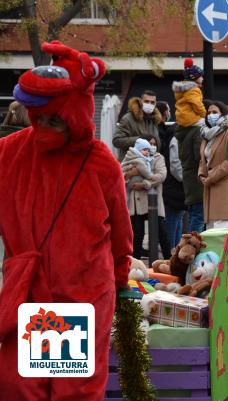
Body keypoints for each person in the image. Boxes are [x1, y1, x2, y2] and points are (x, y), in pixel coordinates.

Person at [0, 41, 132, 401]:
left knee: (57, 389)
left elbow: (120, 232)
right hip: (43, 293)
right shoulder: (10, 153)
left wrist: (119, 275)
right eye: (38, 116)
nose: (43, 125)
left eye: (52, 118)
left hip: (74, 295)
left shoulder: (98, 161)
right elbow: (121, 235)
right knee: (35, 388)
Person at [125, 137, 171, 259]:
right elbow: (122, 174)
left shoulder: (158, 158)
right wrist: (130, 174)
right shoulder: (133, 156)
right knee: (137, 235)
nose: (151, 146)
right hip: (136, 202)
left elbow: (161, 176)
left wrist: (145, 184)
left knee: (162, 233)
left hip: (153, 200)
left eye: (154, 144)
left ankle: (169, 262)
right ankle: (135, 264)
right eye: (149, 143)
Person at [198, 100, 228, 229]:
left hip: (226, 188)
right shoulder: (206, 134)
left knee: (223, 232)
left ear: (223, 114)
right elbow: (203, 159)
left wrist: (212, 176)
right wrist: (201, 174)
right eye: (209, 112)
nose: (211, 115)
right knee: (212, 231)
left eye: (215, 112)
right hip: (210, 188)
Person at [157, 101, 186, 250]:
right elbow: (175, 165)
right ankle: (171, 251)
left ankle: (175, 249)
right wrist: (184, 179)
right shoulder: (176, 136)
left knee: (178, 218)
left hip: (175, 186)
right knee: (173, 218)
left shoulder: (175, 133)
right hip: (175, 186)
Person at [113, 90, 162, 160]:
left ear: (155, 104)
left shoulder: (154, 120)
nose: (149, 104)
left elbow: (155, 142)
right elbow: (117, 140)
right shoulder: (128, 119)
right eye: (146, 101)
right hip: (131, 164)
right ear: (141, 101)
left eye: (152, 102)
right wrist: (140, 139)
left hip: (149, 164)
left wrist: (156, 143)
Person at [172, 58, 206, 127]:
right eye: (200, 76)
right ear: (194, 77)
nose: (202, 78)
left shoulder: (182, 89)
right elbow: (197, 104)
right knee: (207, 126)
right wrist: (204, 114)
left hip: (181, 119)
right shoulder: (193, 89)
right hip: (192, 120)